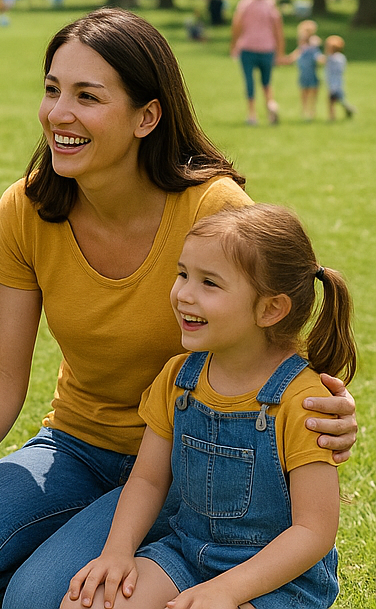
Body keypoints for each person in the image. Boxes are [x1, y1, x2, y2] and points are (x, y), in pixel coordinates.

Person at [0, 7, 357, 608]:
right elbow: (3, 371)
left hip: (190, 458)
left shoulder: (212, 207)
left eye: (87, 96)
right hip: (76, 446)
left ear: (147, 117)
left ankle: (132, 555)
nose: (58, 113)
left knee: (37, 597)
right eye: (52, 90)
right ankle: (93, 548)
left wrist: (327, 408)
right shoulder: (26, 209)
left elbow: (265, 332)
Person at [66, 203, 354, 609]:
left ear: (270, 308)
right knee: (86, 603)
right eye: (183, 274)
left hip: (276, 578)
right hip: (186, 554)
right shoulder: (178, 377)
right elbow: (147, 481)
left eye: (209, 283)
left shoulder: (302, 401)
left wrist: (227, 590)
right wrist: (117, 552)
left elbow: (314, 531)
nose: (184, 294)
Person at [230, 0, 285, 126]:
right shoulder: (270, 4)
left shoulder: (245, 3)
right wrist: (280, 51)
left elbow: (237, 25)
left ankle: (252, 114)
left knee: (249, 81)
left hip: (247, 47)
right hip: (267, 48)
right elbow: (278, 29)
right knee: (266, 82)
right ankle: (270, 105)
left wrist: (233, 44)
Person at [283, 19, 323, 122]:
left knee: (313, 91)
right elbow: (296, 53)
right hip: (304, 73)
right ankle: (305, 110)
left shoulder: (313, 45)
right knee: (304, 91)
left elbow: (317, 55)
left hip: (312, 72)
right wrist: (288, 59)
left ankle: (311, 110)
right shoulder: (302, 47)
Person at [323, 35, 356, 121]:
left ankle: (332, 117)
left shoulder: (334, 58)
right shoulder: (338, 57)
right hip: (334, 83)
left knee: (331, 101)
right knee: (339, 100)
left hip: (335, 83)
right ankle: (348, 109)